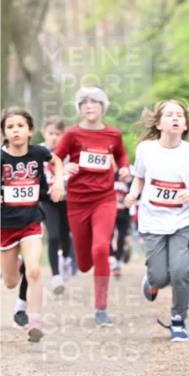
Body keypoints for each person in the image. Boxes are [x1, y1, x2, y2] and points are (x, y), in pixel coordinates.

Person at [124, 99, 189, 342]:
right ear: (159, 123)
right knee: (160, 277)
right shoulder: (146, 150)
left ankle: (178, 319)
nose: (175, 118)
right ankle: (151, 280)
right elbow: (138, 178)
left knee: (180, 271)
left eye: (179, 115)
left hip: (182, 220)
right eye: (169, 114)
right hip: (152, 221)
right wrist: (132, 194)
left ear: (184, 124)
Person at [53, 86, 130, 326]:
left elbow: (121, 156)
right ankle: (80, 262)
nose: (89, 106)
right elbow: (55, 158)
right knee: (85, 262)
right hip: (77, 202)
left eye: (94, 102)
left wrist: (125, 168)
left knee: (100, 249)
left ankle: (101, 308)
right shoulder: (72, 134)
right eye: (84, 103)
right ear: (79, 108)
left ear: (102, 106)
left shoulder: (113, 134)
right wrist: (64, 169)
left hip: (104, 200)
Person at [1, 106, 64, 341]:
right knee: (10, 282)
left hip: (31, 223)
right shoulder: (1, 157)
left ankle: (34, 321)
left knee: (35, 269)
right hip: (5, 226)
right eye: (10, 127)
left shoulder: (39, 152)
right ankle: (16, 262)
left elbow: (56, 161)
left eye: (20, 126)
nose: (15, 130)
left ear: (30, 130)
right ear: (4, 133)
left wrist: (59, 182)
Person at [39, 117, 73, 294]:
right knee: (53, 236)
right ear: (43, 133)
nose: (54, 137)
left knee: (65, 234)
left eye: (58, 134)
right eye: (51, 133)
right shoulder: (38, 151)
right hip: (48, 200)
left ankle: (66, 258)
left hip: (67, 199)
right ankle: (56, 276)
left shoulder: (68, 153)